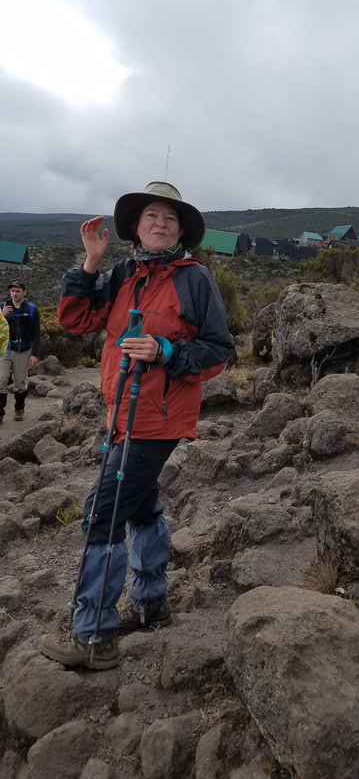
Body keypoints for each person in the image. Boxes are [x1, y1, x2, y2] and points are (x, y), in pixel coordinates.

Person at [40, 181, 234, 670]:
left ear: (181, 229)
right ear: (135, 226)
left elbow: (219, 351)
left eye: (170, 217)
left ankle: (93, 638)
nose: (162, 223)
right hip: (121, 417)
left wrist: (165, 351)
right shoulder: (123, 274)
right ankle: (150, 604)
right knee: (141, 504)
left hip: (158, 420)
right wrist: (90, 263)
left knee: (101, 515)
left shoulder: (194, 279)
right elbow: (76, 318)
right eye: (152, 214)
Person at [0, 281, 40, 423]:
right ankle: (0, 412)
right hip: (4, 349)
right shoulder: (2, 307)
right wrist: (2, 317)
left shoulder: (31, 309)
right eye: (12, 291)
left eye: (17, 291)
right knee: (1, 380)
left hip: (23, 350)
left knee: (20, 382)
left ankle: (19, 407)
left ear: (24, 292)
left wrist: (34, 354)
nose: (14, 294)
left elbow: (36, 333)